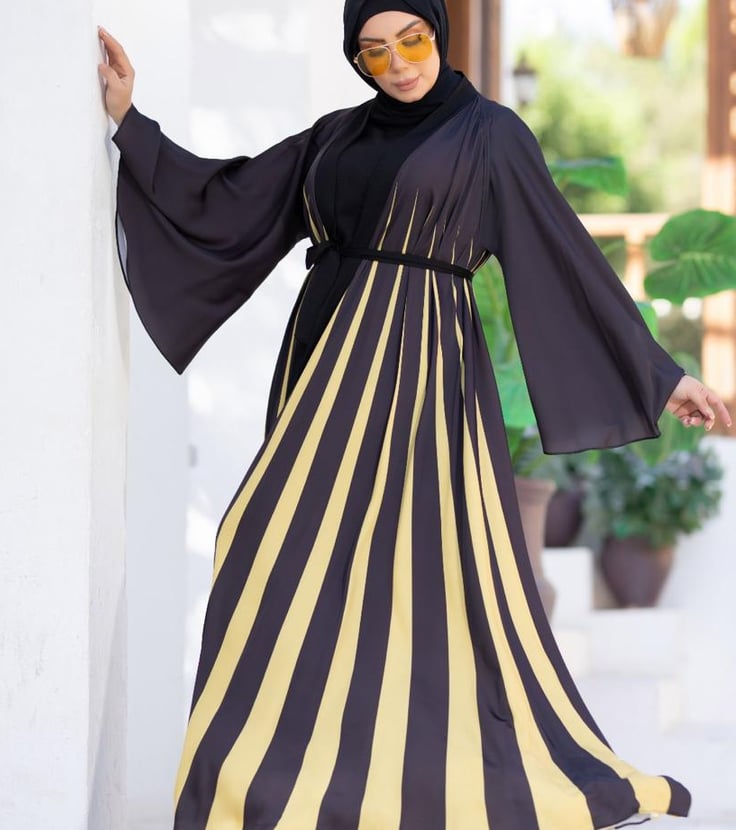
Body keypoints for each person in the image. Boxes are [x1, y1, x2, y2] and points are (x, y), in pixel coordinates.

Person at [98, 1, 731, 828]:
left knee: (418, 580)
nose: (397, 64)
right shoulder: (336, 138)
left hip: (419, 374)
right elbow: (233, 199)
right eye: (373, 51)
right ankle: (276, 785)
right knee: (263, 546)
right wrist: (131, 124)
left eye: (413, 41)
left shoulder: (490, 135)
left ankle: (424, 783)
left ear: (438, 33)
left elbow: (566, 256)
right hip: (324, 373)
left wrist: (660, 375)